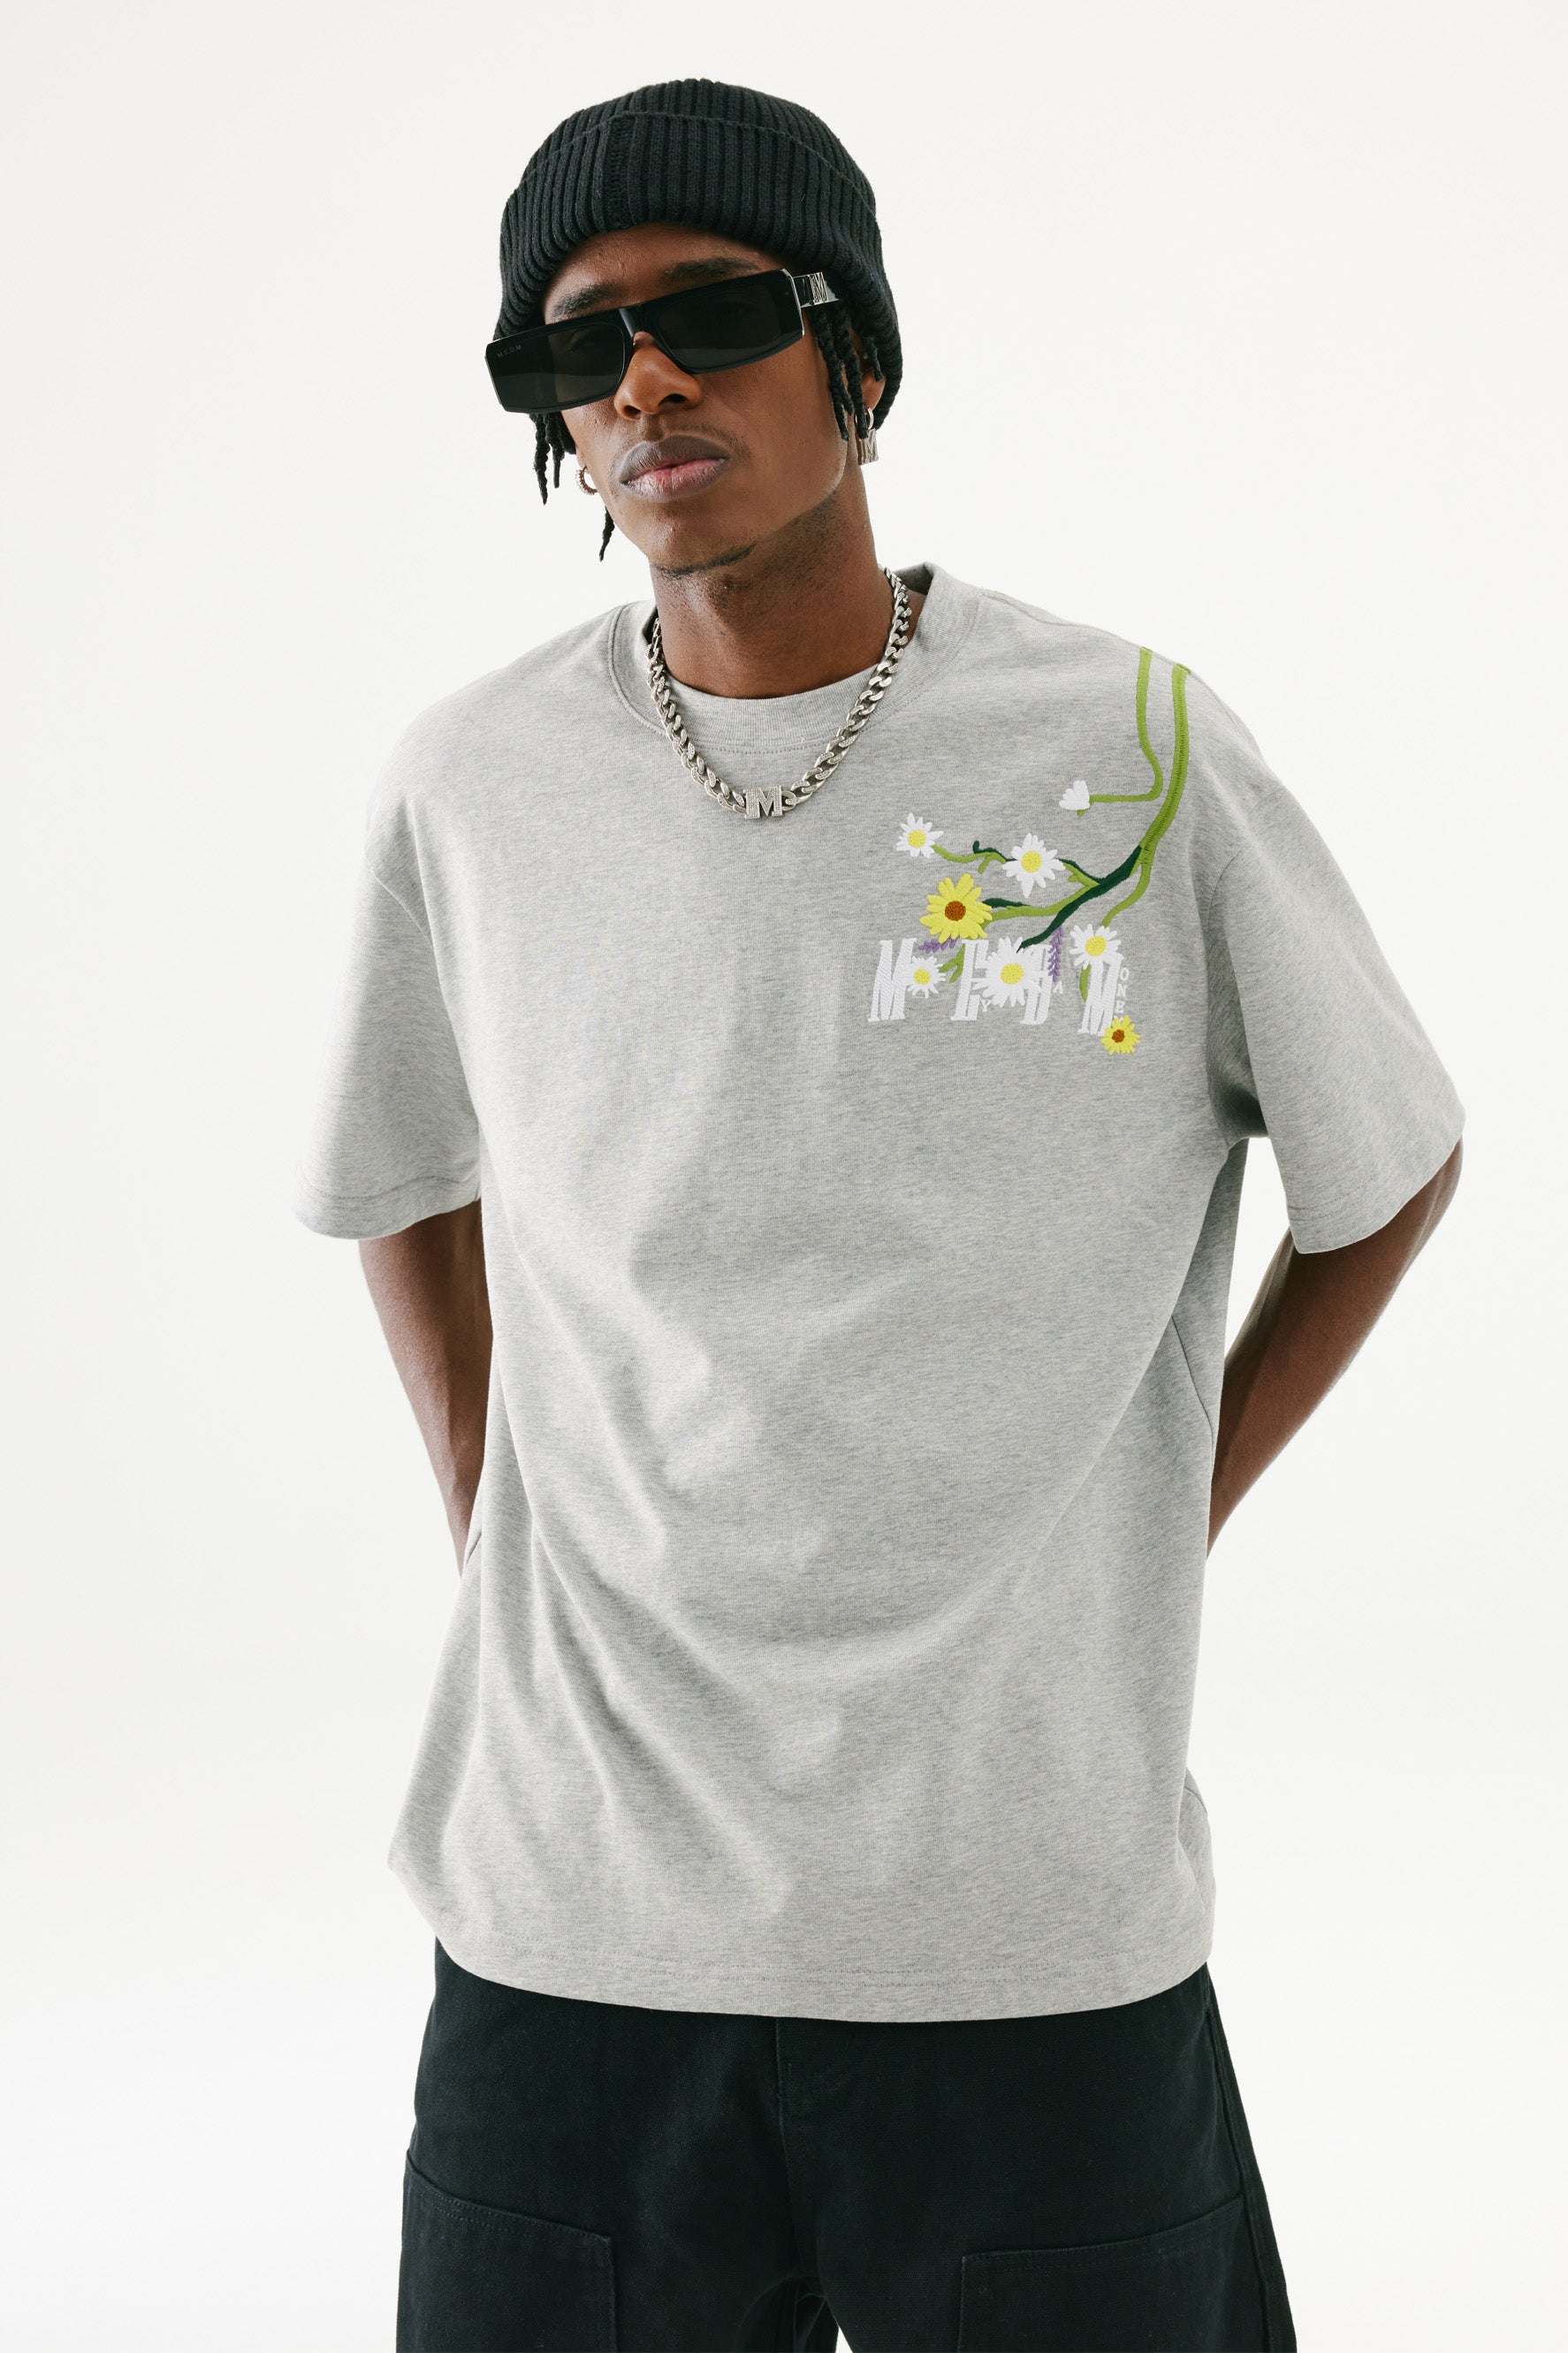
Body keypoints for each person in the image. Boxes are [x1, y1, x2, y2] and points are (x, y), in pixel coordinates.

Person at [294, 78, 1462, 2353]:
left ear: (852, 353)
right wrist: (490, 1505)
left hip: (1020, 1929)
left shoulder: (1131, 754)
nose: (644, 381)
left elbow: (1384, 1164)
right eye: (576, 348)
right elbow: (398, 1181)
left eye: (710, 314)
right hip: (569, 1933)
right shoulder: (470, 783)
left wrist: (1170, 1493)